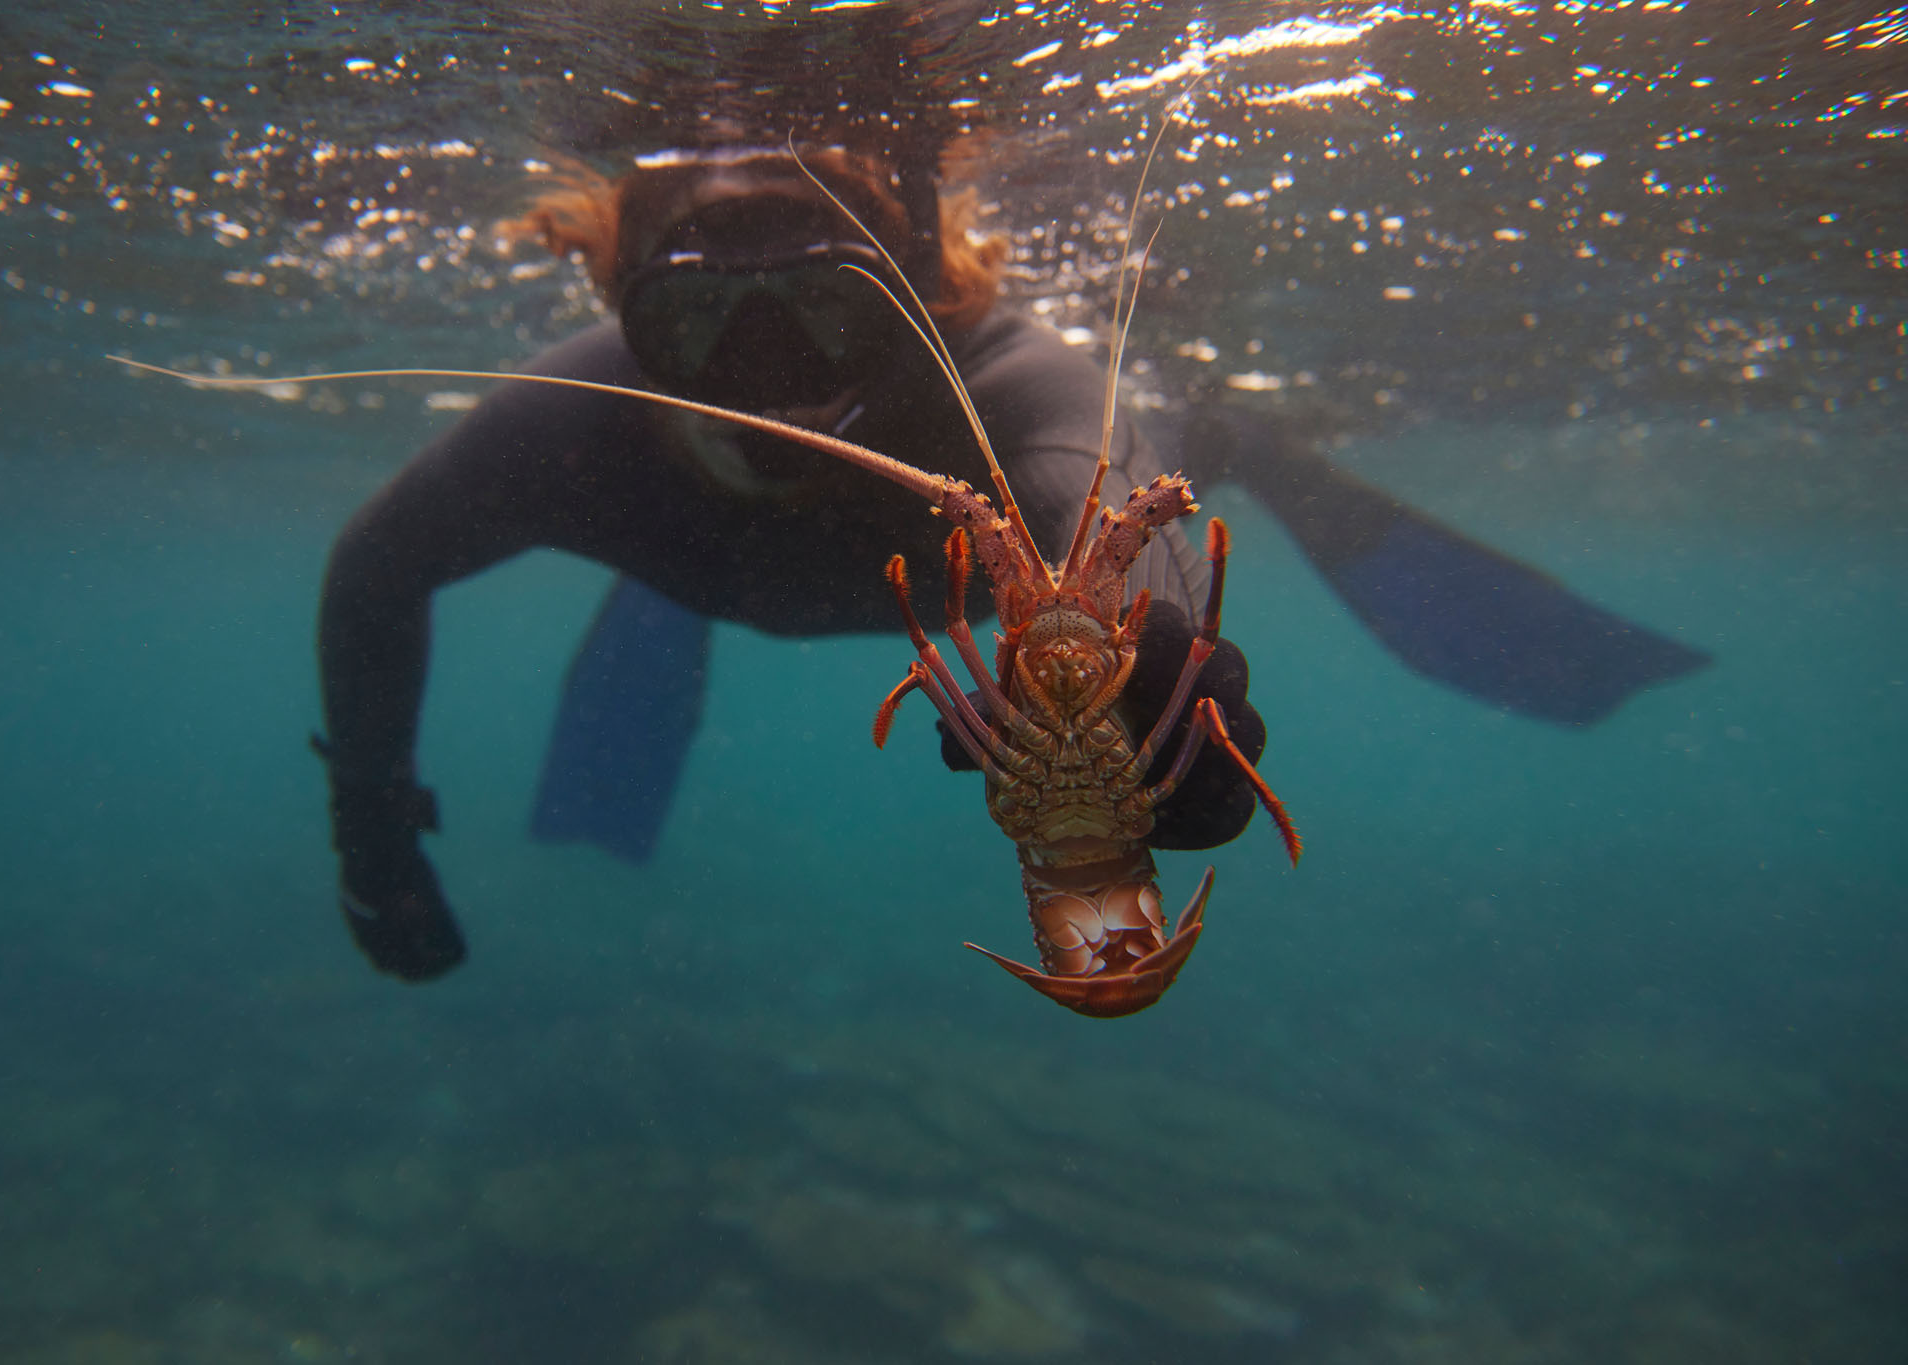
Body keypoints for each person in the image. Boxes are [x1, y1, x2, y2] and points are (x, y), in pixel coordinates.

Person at [312, 137, 1706, 983]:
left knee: (1168, 451)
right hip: (710, 563)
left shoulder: (1020, 389)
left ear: (919, 295)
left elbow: (1098, 517)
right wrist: (374, 826)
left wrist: (1157, 671)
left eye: (827, 310)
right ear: (623, 312)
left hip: (810, 552)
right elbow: (372, 570)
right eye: (699, 322)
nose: (766, 371)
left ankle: (1265, 451)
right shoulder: (568, 422)